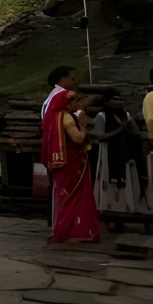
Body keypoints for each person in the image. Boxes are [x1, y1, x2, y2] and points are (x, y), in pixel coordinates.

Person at [42, 87, 99, 243]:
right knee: (74, 197)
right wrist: (83, 126)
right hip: (73, 162)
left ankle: (68, 228)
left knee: (65, 195)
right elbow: (78, 138)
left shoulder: (54, 116)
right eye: (76, 101)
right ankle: (72, 230)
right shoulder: (66, 118)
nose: (79, 103)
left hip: (65, 161)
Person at [91, 89, 143, 214]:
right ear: (107, 102)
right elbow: (100, 136)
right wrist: (121, 128)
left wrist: (127, 126)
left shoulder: (126, 115)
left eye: (120, 99)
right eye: (115, 99)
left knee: (128, 182)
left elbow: (135, 133)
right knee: (109, 183)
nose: (119, 102)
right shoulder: (101, 116)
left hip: (125, 152)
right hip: (109, 153)